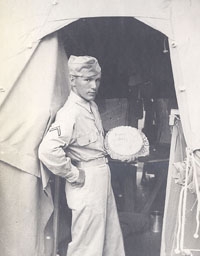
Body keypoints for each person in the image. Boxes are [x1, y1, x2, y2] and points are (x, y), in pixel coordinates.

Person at [38, 55, 125, 256]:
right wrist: (74, 175)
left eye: (97, 80)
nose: (94, 86)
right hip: (86, 181)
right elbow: (47, 150)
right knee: (87, 245)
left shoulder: (90, 106)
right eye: (87, 80)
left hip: (102, 176)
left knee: (110, 239)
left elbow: (94, 145)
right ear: (72, 80)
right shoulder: (70, 113)